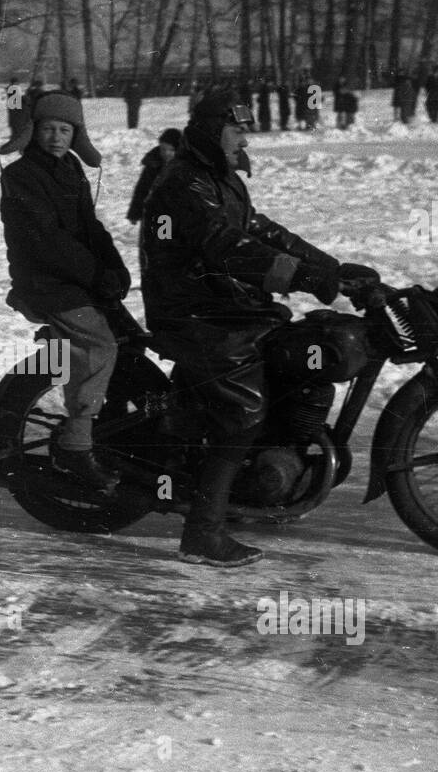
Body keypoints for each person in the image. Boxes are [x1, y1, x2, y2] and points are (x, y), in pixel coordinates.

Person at [139, 91, 375, 567]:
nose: (244, 139)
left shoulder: (218, 178)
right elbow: (225, 245)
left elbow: (258, 229)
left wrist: (329, 266)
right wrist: (304, 277)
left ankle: (246, 483)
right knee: (243, 410)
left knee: (291, 366)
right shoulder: (185, 183)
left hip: (225, 307)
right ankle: (202, 534)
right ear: (211, 130)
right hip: (194, 314)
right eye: (237, 129)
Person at [0, 92, 131, 491]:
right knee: (99, 343)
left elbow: (89, 226)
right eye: (48, 129)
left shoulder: (71, 168)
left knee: (129, 340)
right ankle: (75, 443)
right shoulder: (21, 176)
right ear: (33, 131)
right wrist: (95, 275)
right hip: (44, 281)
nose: (57, 137)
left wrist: (113, 265)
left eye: (65, 130)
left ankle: (109, 425)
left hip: (73, 278)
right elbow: (46, 240)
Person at [127, 127, 180, 225]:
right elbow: (142, 189)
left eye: (171, 150)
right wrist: (134, 213)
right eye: (163, 149)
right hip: (154, 213)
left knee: (166, 238)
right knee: (153, 237)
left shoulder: (185, 167)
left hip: (178, 217)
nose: (166, 153)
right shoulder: (153, 164)